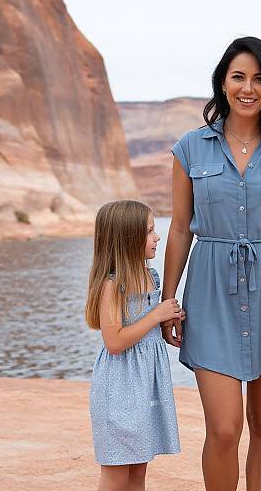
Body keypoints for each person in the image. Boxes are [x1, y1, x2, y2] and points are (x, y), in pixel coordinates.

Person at [161, 36, 261, 491]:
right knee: (225, 427)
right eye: (238, 77)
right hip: (210, 291)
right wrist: (168, 300)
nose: (247, 88)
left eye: (258, 78)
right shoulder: (191, 148)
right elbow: (178, 229)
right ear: (222, 83)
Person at [86, 200, 182, 491]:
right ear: (127, 239)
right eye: (150, 231)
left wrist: (169, 318)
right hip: (118, 389)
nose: (158, 237)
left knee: (138, 472)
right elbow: (114, 342)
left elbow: (148, 323)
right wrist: (156, 315)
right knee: (116, 475)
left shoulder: (150, 276)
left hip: (145, 388)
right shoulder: (112, 285)